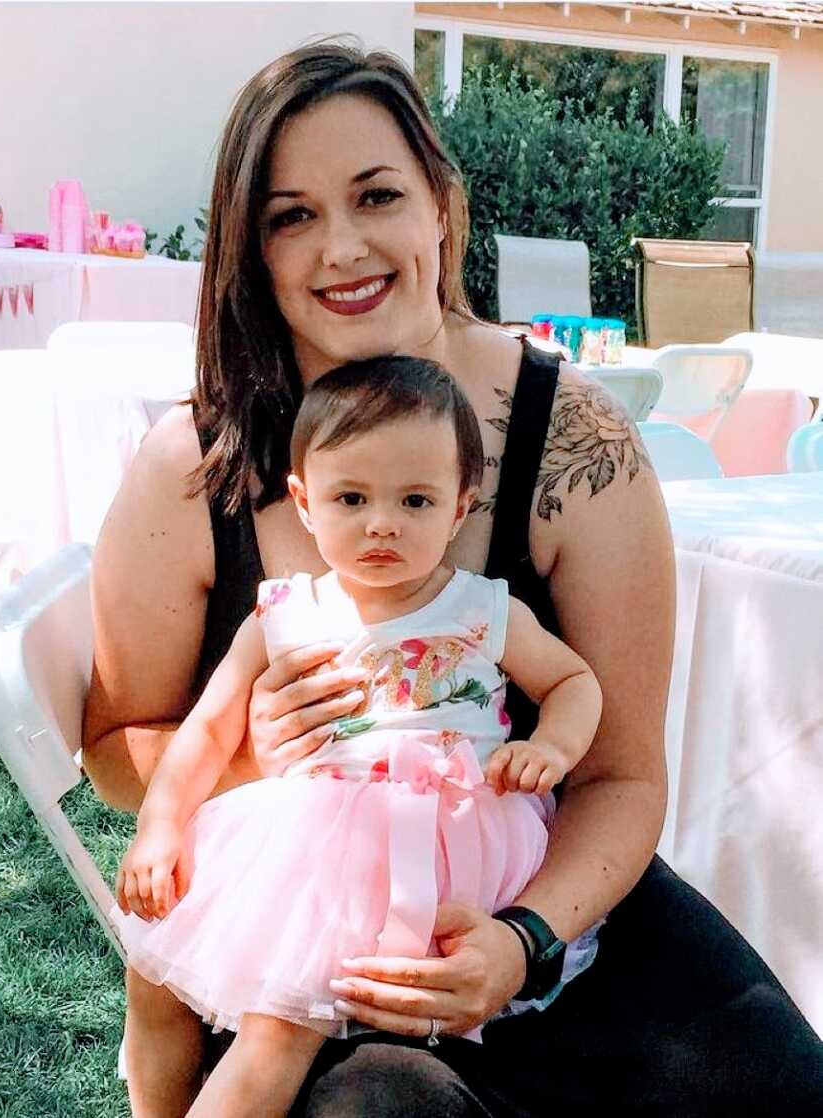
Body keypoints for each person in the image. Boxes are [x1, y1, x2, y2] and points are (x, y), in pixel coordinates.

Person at [82, 36, 823, 1118]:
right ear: (252, 245)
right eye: (291, 215)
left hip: (551, 900)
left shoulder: (573, 439)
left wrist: (524, 941)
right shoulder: (198, 465)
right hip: (319, 930)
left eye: (375, 194)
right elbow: (113, 748)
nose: (341, 246)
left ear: (441, 203)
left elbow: (620, 777)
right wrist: (246, 758)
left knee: (779, 1086)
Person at [111, 356, 604, 1118]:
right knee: (155, 978)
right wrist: (161, 827)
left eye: (415, 499)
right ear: (306, 503)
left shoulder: (481, 610)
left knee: (280, 1029)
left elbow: (573, 683)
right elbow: (208, 729)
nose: (382, 523)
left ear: (460, 505)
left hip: (441, 844)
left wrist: (553, 748)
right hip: (311, 844)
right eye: (351, 497)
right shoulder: (283, 614)